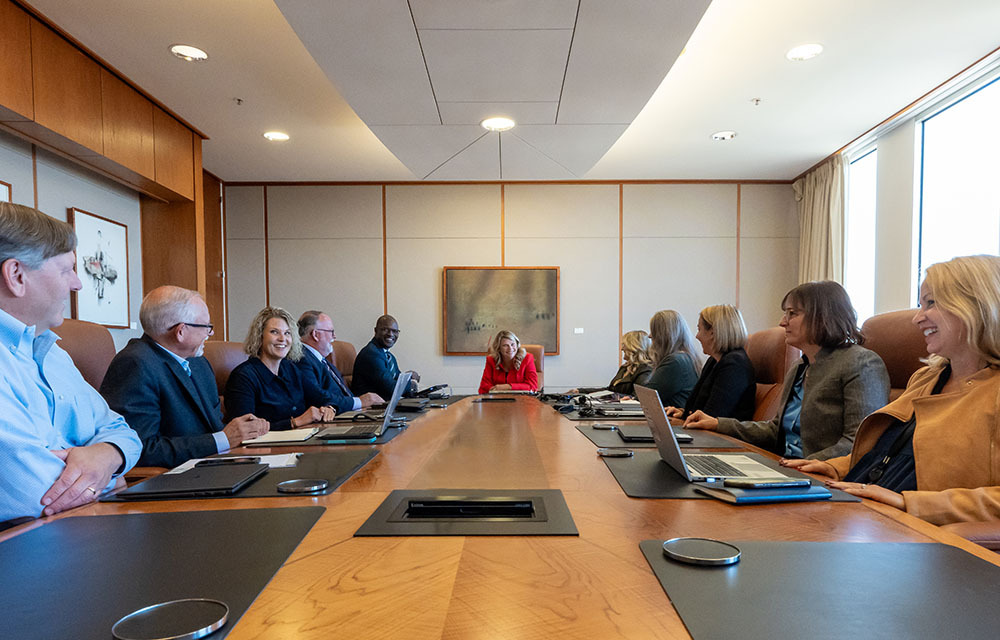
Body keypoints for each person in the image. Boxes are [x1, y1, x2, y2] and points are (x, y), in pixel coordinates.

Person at [782, 255, 1000, 525]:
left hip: (909, 526)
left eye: (931, 303)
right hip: (861, 509)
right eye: (921, 305)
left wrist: (911, 503)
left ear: (979, 306)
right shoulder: (927, 378)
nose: (918, 318)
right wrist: (835, 467)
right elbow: (888, 453)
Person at [0, 202, 141, 524]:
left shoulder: (53, 352)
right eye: (66, 270)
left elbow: (122, 431)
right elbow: (37, 495)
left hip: (85, 529)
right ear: (16, 276)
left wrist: (109, 455)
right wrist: (112, 477)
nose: (77, 283)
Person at [685, 281, 889, 460]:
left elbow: (860, 442)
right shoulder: (800, 367)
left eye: (792, 314)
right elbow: (775, 431)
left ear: (822, 316)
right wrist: (718, 424)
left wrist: (803, 466)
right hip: (787, 468)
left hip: (825, 481)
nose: (783, 322)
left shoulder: (861, 363)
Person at [100, 286, 270, 468]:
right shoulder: (135, 364)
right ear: (180, 331)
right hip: (174, 480)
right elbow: (139, 449)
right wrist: (223, 439)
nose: (210, 333)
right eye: (206, 327)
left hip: (215, 466)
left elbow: (215, 427)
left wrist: (245, 431)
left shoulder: (199, 364)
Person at [224, 307, 337, 430]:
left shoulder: (290, 369)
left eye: (287, 333)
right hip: (268, 448)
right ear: (260, 336)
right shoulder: (243, 377)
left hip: (302, 440)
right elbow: (244, 430)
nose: (282, 339)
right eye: (274, 332)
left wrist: (329, 408)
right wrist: (295, 422)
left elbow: (321, 397)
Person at [666, 305, 755, 421]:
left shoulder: (734, 365)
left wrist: (689, 416)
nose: (697, 336)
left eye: (699, 329)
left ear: (712, 332)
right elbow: (702, 409)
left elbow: (713, 416)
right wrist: (683, 412)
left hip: (722, 438)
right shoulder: (714, 360)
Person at [295, 310, 383, 412]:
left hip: (351, 413)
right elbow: (317, 397)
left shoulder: (322, 360)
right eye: (331, 332)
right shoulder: (301, 359)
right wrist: (360, 401)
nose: (334, 336)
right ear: (315, 334)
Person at [352, 314, 420, 398]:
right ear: (376, 330)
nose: (390, 334)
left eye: (395, 331)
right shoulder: (371, 354)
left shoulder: (389, 356)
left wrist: (408, 377)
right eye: (385, 329)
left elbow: (396, 380)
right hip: (371, 408)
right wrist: (412, 382)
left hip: (386, 404)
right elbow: (392, 389)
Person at [645, 310, 700, 407]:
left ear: (663, 335)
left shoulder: (675, 361)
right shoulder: (686, 357)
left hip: (674, 420)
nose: (650, 336)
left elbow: (647, 397)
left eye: (653, 331)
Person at [607, 330, 654, 396]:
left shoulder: (646, 370)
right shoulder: (625, 367)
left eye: (624, 345)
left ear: (634, 347)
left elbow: (637, 397)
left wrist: (612, 396)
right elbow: (610, 390)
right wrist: (588, 391)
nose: (622, 349)